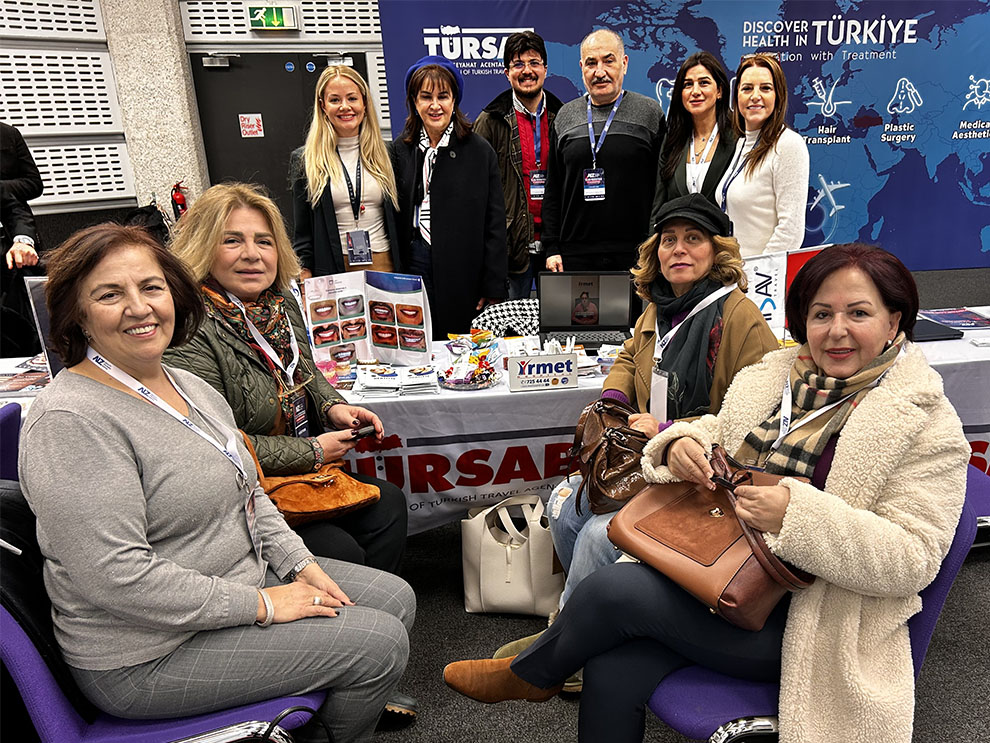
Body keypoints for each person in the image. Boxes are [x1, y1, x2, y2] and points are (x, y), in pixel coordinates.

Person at [444, 243, 970, 743]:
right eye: (821, 314)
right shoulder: (777, 376)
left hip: (815, 620)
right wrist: (677, 445)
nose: (836, 331)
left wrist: (796, 515)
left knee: (614, 590)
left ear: (894, 321)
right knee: (612, 665)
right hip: (718, 570)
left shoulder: (923, 423)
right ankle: (540, 671)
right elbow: (718, 430)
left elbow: (913, 559)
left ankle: (533, 673)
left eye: (858, 313)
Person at [19, 223, 416, 743]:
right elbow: (116, 577)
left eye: (151, 287)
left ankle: (326, 703)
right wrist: (265, 605)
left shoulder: (189, 386)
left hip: (231, 582)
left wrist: (301, 565)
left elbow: (248, 491)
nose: (139, 307)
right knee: (378, 644)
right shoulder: (70, 420)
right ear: (78, 315)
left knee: (395, 599)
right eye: (109, 295)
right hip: (147, 652)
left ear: (174, 294)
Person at [493, 194, 779, 678]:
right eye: (669, 240)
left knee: (597, 535)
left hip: (703, 477)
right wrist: (614, 402)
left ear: (717, 250)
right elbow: (628, 356)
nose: (678, 249)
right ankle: (582, 627)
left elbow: (760, 423)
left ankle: (567, 653)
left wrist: (668, 431)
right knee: (563, 504)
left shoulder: (739, 317)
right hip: (650, 461)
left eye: (693, 238)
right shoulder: (659, 307)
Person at [165, 183, 409, 577]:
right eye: (232, 240)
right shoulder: (189, 326)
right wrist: (314, 451)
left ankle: (374, 608)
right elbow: (220, 443)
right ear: (203, 246)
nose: (252, 254)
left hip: (297, 470)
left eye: (264, 241)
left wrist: (333, 406)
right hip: (245, 488)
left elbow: (304, 371)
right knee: (340, 549)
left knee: (389, 505)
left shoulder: (280, 302)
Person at [391, 55, 508, 339]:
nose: (435, 105)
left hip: (463, 269)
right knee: (419, 342)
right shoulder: (399, 151)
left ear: (454, 100)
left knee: (459, 346)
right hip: (415, 262)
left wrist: (492, 285)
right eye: (426, 97)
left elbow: (494, 223)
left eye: (443, 96)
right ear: (414, 101)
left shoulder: (479, 151)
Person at [543, 29, 665, 273]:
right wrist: (552, 247)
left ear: (624, 63)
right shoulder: (564, 117)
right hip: (574, 254)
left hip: (637, 253)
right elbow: (554, 188)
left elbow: (662, 187)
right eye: (591, 63)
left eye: (608, 61)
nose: (600, 72)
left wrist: (655, 242)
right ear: (581, 68)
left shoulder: (650, 113)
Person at [474, 31, 564, 299]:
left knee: (558, 321)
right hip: (511, 248)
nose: (527, 71)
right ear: (506, 73)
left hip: (556, 246)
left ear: (545, 69)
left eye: (534, 63)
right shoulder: (490, 121)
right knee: (513, 323)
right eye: (518, 64)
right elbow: (477, 193)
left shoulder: (564, 117)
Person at [290, 65, 402, 277]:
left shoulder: (388, 153)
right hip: (333, 270)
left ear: (364, 103)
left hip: (385, 264)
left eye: (352, 98)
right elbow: (303, 233)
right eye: (335, 100)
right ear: (323, 106)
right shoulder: (306, 160)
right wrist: (304, 272)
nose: (345, 107)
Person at [716, 53, 810, 257]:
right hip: (732, 270)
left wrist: (756, 272)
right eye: (747, 88)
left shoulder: (788, 144)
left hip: (760, 275)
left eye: (765, 88)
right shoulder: (741, 144)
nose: (755, 96)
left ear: (778, 96)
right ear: (737, 96)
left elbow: (790, 232)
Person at [650, 51, 737, 221]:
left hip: (724, 236)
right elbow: (659, 205)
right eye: (688, 84)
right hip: (679, 237)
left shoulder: (738, 138)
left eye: (704, 83)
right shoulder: (672, 140)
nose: (695, 91)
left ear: (719, 91)